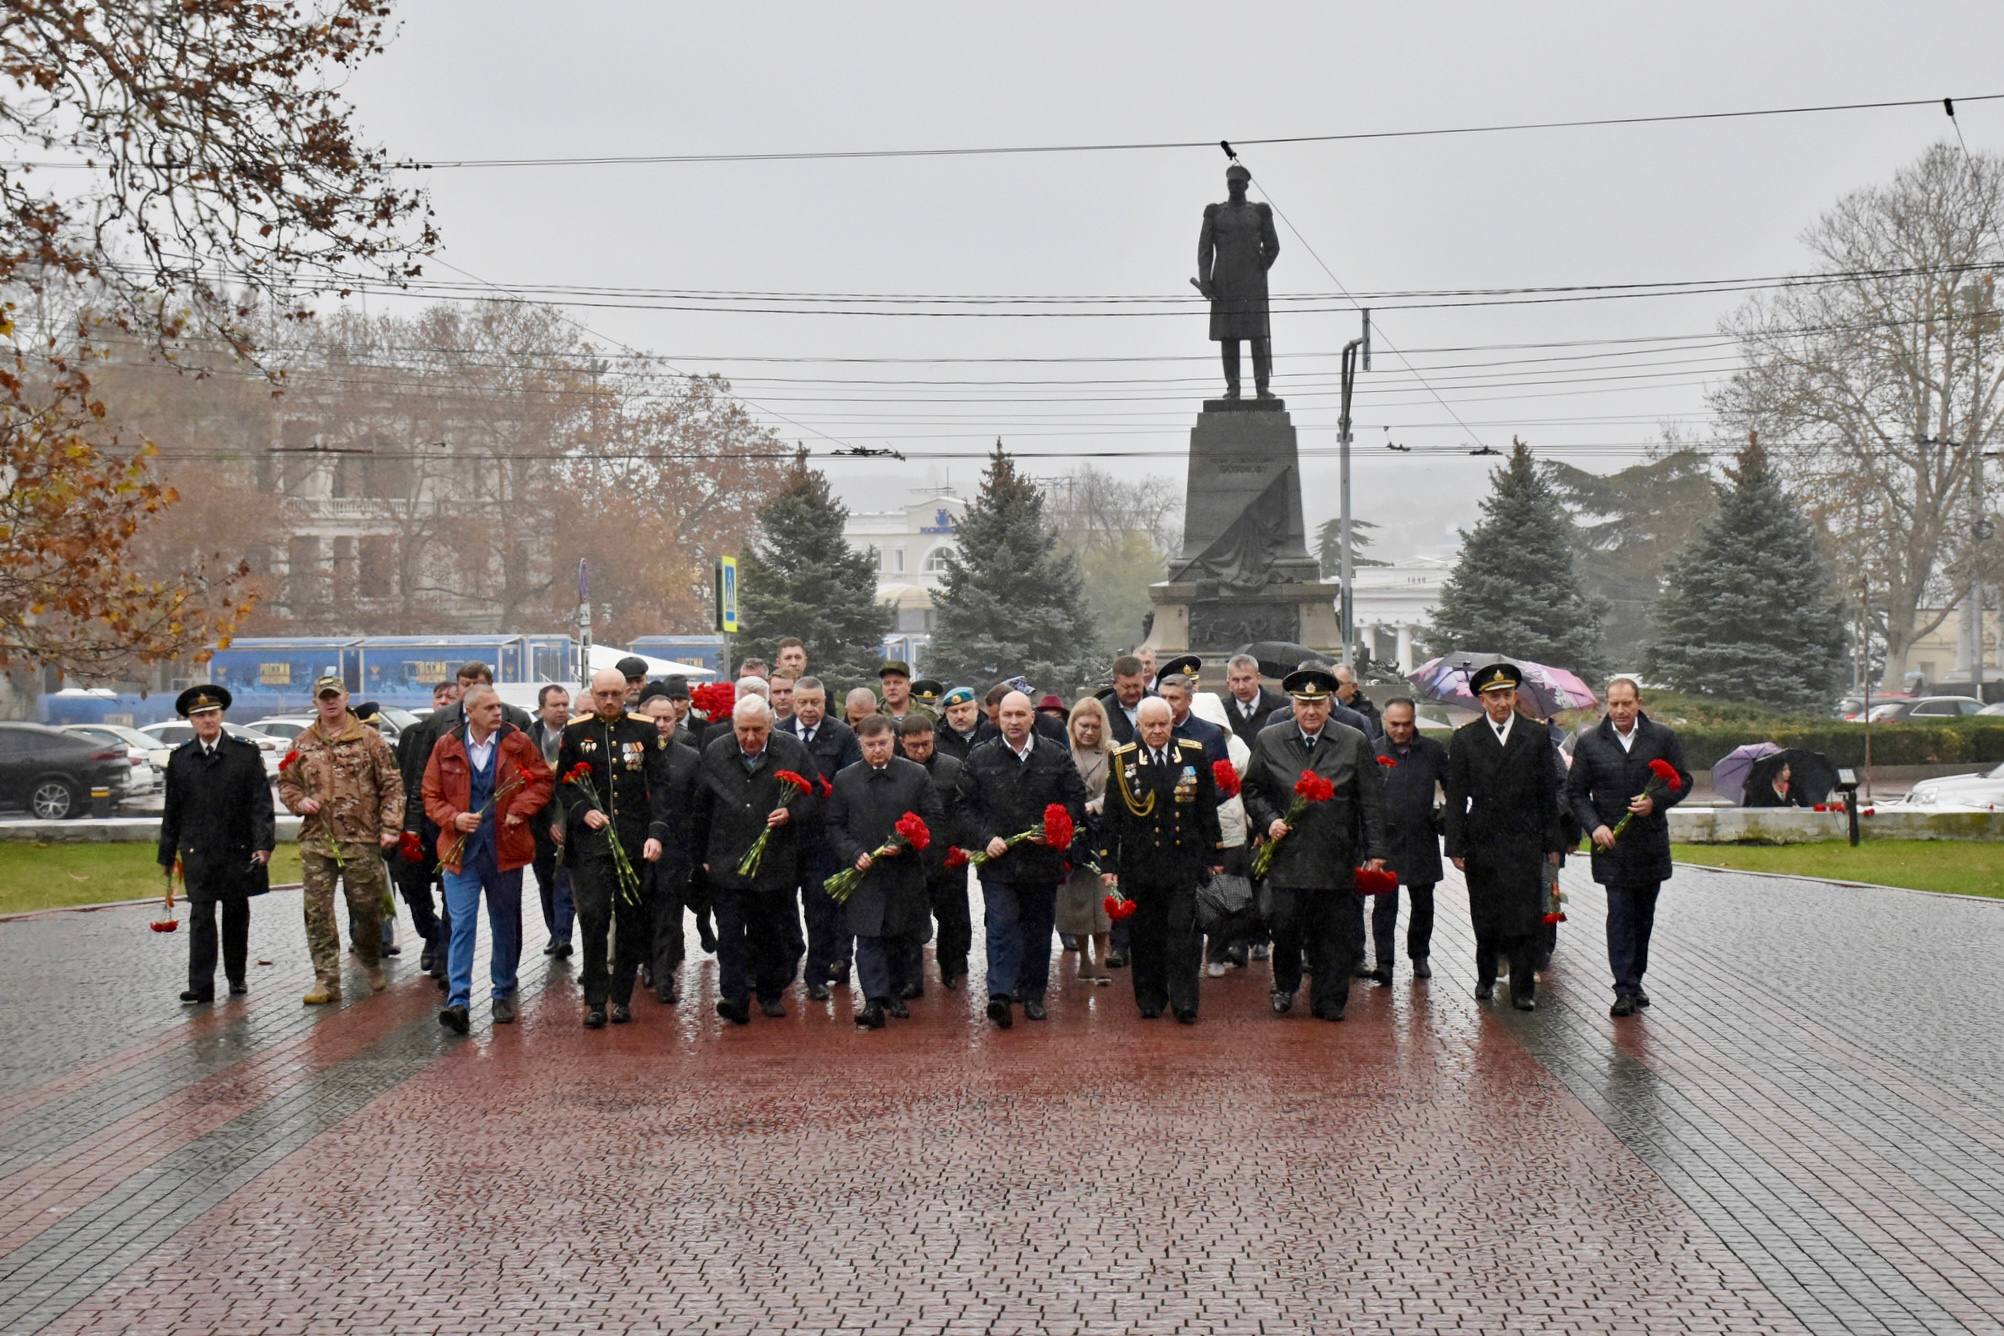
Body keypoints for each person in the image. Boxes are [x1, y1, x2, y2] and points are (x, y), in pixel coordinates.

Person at [1241, 667, 1388, 1022]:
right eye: (1303, 703)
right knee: (1286, 926)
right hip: (1288, 857)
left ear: (1330, 703)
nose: (1310, 711)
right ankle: (1286, 985)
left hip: (1334, 854)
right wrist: (1269, 819)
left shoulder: (1352, 741)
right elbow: (1252, 787)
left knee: (1333, 933)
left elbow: (1370, 799)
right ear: (1293, 704)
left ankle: (1329, 998)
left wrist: (1376, 852)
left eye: (1318, 703)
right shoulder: (1270, 738)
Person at [421, 684, 554, 1033]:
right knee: (462, 923)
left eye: (499, 706)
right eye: (491, 708)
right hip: (460, 853)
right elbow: (430, 794)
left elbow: (541, 782)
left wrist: (520, 809)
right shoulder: (447, 745)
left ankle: (502, 992)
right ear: (471, 713)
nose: (499, 712)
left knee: (504, 923)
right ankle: (459, 1000)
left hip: (504, 849)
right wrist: (454, 818)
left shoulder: (518, 742)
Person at [956, 690, 1089, 1028]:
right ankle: (1000, 995)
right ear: (998, 719)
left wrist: (1057, 828)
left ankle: (1032, 994)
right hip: (999, 863)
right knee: (1001, 926)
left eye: (1020, 715)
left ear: (1032, 717)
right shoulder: (981, 757)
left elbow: (1075, 797)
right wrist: (986, 839)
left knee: (1038, 930)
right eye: (1007, 716)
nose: (1013, 722)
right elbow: (962, 806)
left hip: (1042, 863)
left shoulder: (1055, 755)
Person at [1566, 676, 1692, 1018]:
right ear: (1607, 704)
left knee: (1642, 917)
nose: (1620, 710)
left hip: (1649, 844)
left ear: (1639, 703)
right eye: (1614, 703)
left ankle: (1636, 980)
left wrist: (1658, 801)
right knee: (1620, 914)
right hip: (1612, 847)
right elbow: (1575, 792)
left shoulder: (1661, 737)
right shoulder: (1591, 742)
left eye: (1626, 703)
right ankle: (1623, 987)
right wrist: (1595, 826)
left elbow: (1683, 780)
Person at [1443, 662, 1566, 1011]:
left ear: (1515, 696)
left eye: (1507, 695)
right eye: (1494, 696)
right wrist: (1455, 845)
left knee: (1526, 915)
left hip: (1524, 837)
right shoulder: (1466, 738)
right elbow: (1455, 797)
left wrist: (1552, 844)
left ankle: (1523, 987)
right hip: (1482, 837)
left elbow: (1547, 792)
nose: (1502, 702)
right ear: (1482, 700)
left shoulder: (1536, 735)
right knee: (1485, 912)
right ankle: (1485, 975)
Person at [556, 668, 673, 1029]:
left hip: (633, 840)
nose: (609, 701)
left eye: (616, 695)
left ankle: (621, 997)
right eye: (603, 694)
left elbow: (661, 786)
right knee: (592, 918)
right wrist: (582, 811)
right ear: (592, 693)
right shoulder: (577, 732)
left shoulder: (643, 730)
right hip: (591, 843)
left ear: (627, 695)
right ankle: (594, 999)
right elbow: (564, 784)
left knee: (630, 919)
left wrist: (656, 833)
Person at [276, 676, 404, 1005]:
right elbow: (287, 783)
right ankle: (326, 978)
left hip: (361, 837)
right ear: (315, 701)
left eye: (335, 696)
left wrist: (390, 826)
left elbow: (392, 786)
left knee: (367, 909)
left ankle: (371, 959)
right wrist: (298, 802)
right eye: (324, 697)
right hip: (317, 840)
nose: (330, 702)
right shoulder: (302, 743)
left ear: (346, 697)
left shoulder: (370, 739)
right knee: (317, 911)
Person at [695, 695, 820, 1024]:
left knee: (771, 933)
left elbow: (816, 793)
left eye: (758, 730)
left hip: (773, 861)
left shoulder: (791, 750)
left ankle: (769, 992)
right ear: (734, 727)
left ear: (770, 726)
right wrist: (703, 857)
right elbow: (702, 808)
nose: (750, 738)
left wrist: (791, 812)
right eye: (743, 730)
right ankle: (734, 996)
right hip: (727, 860)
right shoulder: (717, 752)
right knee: (731, 935)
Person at [1100, 698, 1223, 1023]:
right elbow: (1112, 816)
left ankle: (1185, 1002)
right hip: (1141, 865)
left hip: (1184, 862)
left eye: (1162, 724)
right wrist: (1108, 863)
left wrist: (1215, 853)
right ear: (1138, 726)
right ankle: (1150, 998)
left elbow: (1206, 808)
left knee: (1185, 933)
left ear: (1172, 724)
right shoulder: (1123, 759)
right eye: (1149, 725)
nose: (1157, 731)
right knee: (1146, 935)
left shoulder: (1192, 753)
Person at [157, 684, 274, 1005]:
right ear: (190, 721)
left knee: (236, 915)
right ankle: (200, 985)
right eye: (199, 716)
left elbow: (261, 803)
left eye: (211, 714)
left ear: (221, 715)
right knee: (201, 917)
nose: (207, 720)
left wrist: (263, 844)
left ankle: (236, 976)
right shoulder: (180, 759)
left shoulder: (245, 754)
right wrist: (166, 853)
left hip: (237, 849)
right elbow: (173, 810)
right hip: (198, 851)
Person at [825, 714, 943, 1029]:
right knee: (868, 938)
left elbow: (933, 816)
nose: (877, 750)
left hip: (903, 873)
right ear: (859, 744)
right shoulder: (845, 779)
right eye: (869, 744)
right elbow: (834, 825)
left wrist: (907, 843)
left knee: (899, 937)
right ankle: (874, 1001)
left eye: (882, 743)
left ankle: (893, 993)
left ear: (893, 740)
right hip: (864, 873)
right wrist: (853, 853)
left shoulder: (915, 775)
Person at [778, 675, 864, 1000]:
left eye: (816, 702)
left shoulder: (840, 735)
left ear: (825, 703)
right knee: (782, 907)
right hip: (785, 836)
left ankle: (817, 974)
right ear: (793, 702)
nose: (810, 709)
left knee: (820, 910)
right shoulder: (780, 732)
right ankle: (784, 967)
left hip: (823, 839)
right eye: (803, 702)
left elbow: (848, 783)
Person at [635, 683, 704, 1005]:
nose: (661, 724)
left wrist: (695, 853)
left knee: (668, 915)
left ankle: (663, 976)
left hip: (674, 850)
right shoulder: (630, 755)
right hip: (635, 847)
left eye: (667, 718)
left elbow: (697, 807)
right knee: (640, 912)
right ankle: (646, 962)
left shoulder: (690, 759)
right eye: (655, 719)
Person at [1371, 698, 1448, 982]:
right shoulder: (1372, 750)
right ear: (1384, 721)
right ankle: (1384, 962)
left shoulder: (1432, 751)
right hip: (1385, 841)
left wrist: (1445, 815)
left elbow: (1454, 785)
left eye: (1407, 723)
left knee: (1423, 902)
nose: (1401, 730)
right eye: (1394, 724)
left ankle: (1419, 955)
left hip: (1421, 836)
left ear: (1414, 721)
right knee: (1384, 905)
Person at [893, 714, 969, 990]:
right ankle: (912, 979)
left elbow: (963, 809)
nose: (920, 751)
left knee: (951, 918)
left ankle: (951, 967)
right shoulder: (894, 770)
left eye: (925, 744)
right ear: (902, 743)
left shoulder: (952, 768)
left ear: (933, 738)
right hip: (908, 860)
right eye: (913, 746)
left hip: (945, 857)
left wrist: (962, 846)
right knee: (910, 922)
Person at [1197, 161, 1281, 400]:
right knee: (1229, 337)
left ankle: (1261, 387)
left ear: (1246, 186)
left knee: (1258, 337)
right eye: (1230, 183)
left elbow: (1273, 246)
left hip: (1253, 284)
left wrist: (1261, 266)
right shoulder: (1215, 212)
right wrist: (1205, 281)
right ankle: (1232, 387)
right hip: (1224, 283)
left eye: (1238, 183)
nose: (1234, 187)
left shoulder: (1259, 212)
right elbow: (1204, 249)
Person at [1057, 696, 1115, 986]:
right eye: (1083, 725)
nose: (1089, 732)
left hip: (1103, 831)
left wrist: (1098, 805)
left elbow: (1119, 789)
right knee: (1076, 899)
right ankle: (1084, 958)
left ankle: (1102, 958)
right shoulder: (1062, 753)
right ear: (1073, 725)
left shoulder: (1113, 753)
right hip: (1074, 835)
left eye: (1094, 726)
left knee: (1103, 898)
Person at [528, 684, 575, 960]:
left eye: (564, 704)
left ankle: (563, 935)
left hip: (570, 817)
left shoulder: (577, 733)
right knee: (546, 880)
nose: (561, 710)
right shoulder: (529, 738)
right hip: (539, 822)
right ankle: (554, 930)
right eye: (555, 705)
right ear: (541, 708)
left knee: (565, 881)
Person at [1155, 669, 1230, 767]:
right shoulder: (1145, 732)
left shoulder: (1211, 734)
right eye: (1163, 697)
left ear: (1189, 700)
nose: (1167, 703)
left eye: (1174, 698)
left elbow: (1222, 777)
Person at [1221, 654, 1286, 748]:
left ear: (1258, 678)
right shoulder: (1221, 711)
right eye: (1235, 680)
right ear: (1228, 683)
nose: (1241, 686)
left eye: (1246, 679)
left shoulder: (1281, 707)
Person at [934, 686, 996, 761]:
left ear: (976, 708)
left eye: (964, 710)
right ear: (946, 712)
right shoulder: (935, 738)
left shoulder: (993, 733)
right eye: (954, 711)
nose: (960, 716)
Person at [1104, 654, 1148, 746]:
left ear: (1143, 681)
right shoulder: (1103, 710)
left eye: (1136, 686)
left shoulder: (1159, 704)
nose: (1132, 692)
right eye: (1126, 687)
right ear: (1114, 684)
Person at [1335, 665, 1383, 741]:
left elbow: (1374, 745)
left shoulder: (1369, 713)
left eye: (1338, 683)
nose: (1332, 687)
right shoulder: (1324, 710)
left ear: (1354, 687)